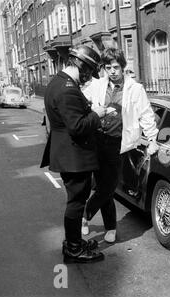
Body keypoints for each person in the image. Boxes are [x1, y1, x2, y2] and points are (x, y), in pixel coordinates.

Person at [81, 47, 159, 243]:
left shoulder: (135, 89)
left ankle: (85, 213)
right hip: (97, 140)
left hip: (119, 143)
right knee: (102, 186)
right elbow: (81, 100)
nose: (112, 71)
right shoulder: (97, 86)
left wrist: (152, 140)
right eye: (108, 67)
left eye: (116, 67)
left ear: (123, 67)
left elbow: (146, 115)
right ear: (104, 69)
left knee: (110, 186)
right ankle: (111, 227)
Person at [40, 45, 108, 263]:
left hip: (67, 153)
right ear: (82, 66)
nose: (88, 79)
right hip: (74, 156)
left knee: (76, 202)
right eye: (89, 73)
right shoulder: (68, 88)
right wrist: (97, 114)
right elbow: (77, 126)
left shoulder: (57, 82)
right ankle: (74, 249)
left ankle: (74, 242)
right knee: (76, 203)